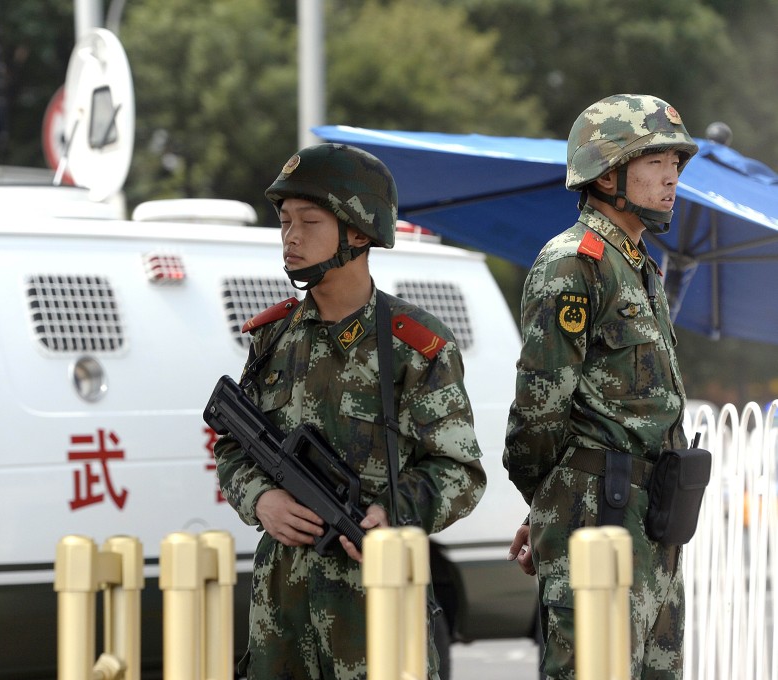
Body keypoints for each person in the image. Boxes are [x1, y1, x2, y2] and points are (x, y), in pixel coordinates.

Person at [213, 142, 486, 680]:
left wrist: (393, 513)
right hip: (281, 618)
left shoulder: (414, 345)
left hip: (375, 614)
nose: (290, 236)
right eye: (285, 221)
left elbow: (459, 471)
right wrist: (261, 498)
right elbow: (231, 445)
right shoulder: (273, 337)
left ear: (360, 233)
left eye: (309, 221)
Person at [503, 94, 697, 679]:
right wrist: (554, 508)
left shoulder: (639, 265)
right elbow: (539, 412)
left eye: (676, 165)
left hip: (652, 518)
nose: (671, 180)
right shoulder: (574, 263)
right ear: (607, 173)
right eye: (655, 163)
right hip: (599, 513)